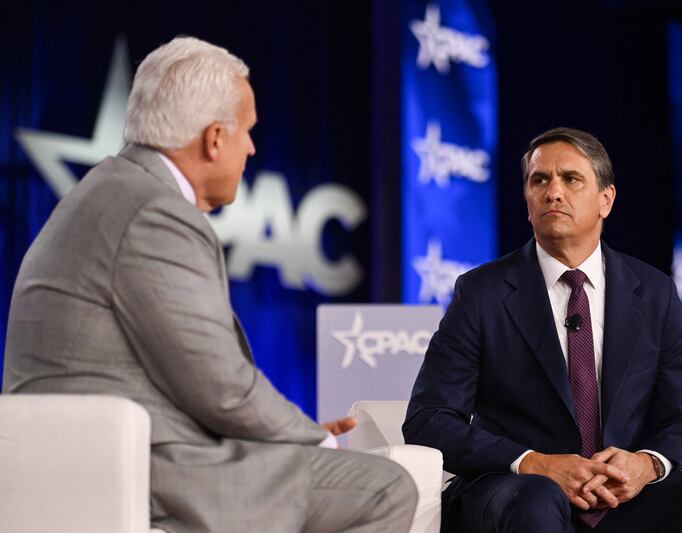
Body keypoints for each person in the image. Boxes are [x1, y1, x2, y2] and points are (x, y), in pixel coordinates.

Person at [3, 36, 417, 533]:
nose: (252, 147)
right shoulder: (151, 211)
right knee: (386, 486)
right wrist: (312, 439)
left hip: (102, 454)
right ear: (214, 138)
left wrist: (284, 436)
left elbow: (179, 378)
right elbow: (222, 389)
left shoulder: (111, 190)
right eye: (247, 131)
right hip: (148, 468)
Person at [403, 127, 682, 532]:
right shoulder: (481, 292)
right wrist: (534, 463)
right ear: (527, 200)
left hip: (620, 500)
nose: (553, 192)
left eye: (571, 179)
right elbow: (428, 419)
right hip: (517, 490)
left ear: (606, 199)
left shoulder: (655, 292)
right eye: (540, 180)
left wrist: (645, 464)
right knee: (538, 498)